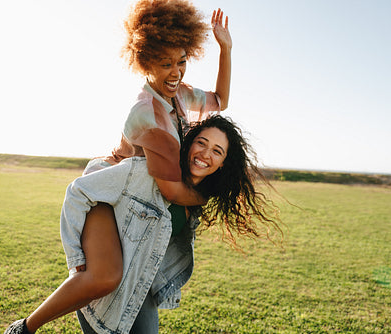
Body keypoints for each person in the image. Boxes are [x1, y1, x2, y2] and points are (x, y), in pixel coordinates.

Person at [4, 0, 232, 333]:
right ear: (145, 60)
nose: (176, 72)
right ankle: (23, 328)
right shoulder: (146, 113)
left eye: (181, 62)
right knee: (106, 276)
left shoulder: (179, 95)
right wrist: (212, 193)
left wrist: (225, 48)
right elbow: (170, 189)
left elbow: (220, 102)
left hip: (135, 202)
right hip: (108, 195)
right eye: (165, 63)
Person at [65, 115, 281, 333]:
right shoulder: (152, 174)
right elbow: (84, 188)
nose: (205, 154)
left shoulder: (198, 197)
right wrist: (76, 258)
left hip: (140, 287)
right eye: (201, 143)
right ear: (189, 143)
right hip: (103, 289)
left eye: (217, 151)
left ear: (224, 162)